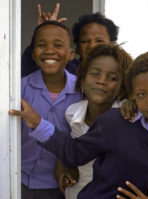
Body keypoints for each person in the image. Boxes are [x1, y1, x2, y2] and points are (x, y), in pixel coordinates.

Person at [9, 52, 148, 199]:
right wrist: (37, 122)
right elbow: (73, 153)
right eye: (142, 94)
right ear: (132, 94)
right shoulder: (115, 121)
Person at [18, 20, 82, 199]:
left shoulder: (83, 92)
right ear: (33, 54)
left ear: (70, 54)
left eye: (58, 45)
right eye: (41, 45)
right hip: (17, 179)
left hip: (59, 185)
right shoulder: (18, 89)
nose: (49, 50)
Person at [60, 43, 132, 199]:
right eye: (94, 74)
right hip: (76, 193)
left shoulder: (127, 116)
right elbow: (68, 150)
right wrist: (65, 166)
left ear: (122, 87)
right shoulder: (72, 113)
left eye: (112, 78)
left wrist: (133, 98)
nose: (102, 81)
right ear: (83, 78)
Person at [22, 3, 119, 77]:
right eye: (85, 41)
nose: (92, 46)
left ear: (112, 44)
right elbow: (29, 68)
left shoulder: (121, 71)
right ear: (76, 49)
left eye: (99, 41)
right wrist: (44, 32)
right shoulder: (67, 68)